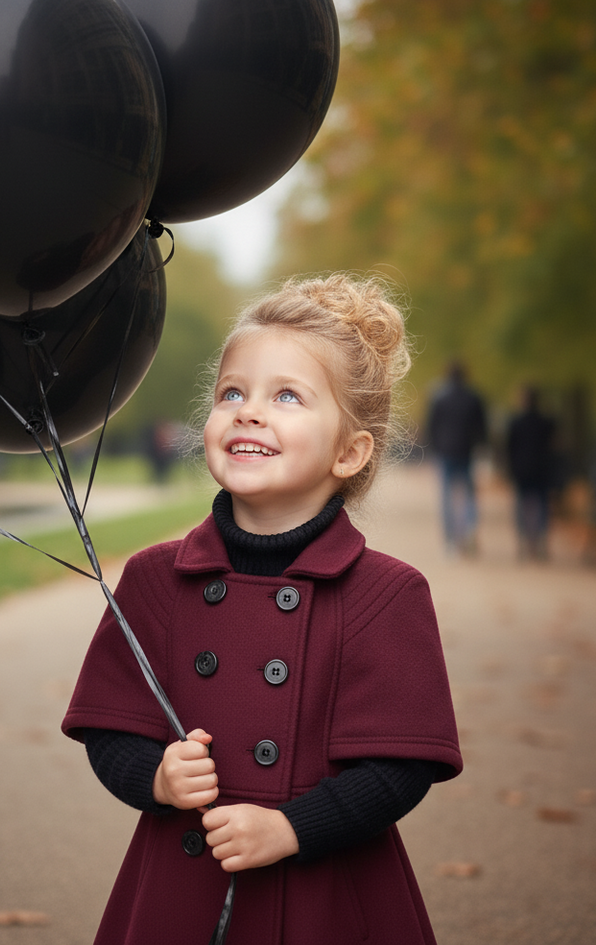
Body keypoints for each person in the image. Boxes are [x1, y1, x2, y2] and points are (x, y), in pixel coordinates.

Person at [62, 275, 462, 945]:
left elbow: (400, 767)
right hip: (182, 888)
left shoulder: (385, 593)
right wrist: (157, 776)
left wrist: (292, 827)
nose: (248, 410)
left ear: (349, 451)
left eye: (287, 395)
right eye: (232, 392)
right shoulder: (158, 579)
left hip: (326, 895)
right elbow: (110, 728)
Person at [426, 361, 487, 556]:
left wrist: (433, 448)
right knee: (468, 496)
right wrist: (481, 448)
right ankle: (469, 528)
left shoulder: (439, 397)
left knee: (446, 499)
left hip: (445, 452)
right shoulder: (473, 397)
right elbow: (481, 427)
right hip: (466, 452)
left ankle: (450, 541)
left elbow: (432, 425)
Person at [506, 385, 556, 561]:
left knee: (521, 506)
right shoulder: (546, 422)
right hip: (541, 470)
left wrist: (510, 469)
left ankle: (522, 541)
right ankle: (541, 541)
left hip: (522, 470)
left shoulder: (515, 422)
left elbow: (510, 448)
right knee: (542, 506)